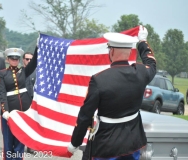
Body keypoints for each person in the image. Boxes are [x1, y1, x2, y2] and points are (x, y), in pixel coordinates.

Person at [67, 25, 156, 160]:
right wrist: (142, 41)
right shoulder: (141, 73)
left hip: (106, 146)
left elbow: (85, 115)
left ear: (112, 51)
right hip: (133, 144)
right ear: (128, 52)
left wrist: (75, 143)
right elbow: (151, 63)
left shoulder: (99, 80)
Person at [0, 47, 37, 160]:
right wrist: (5, 110)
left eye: (16, 59)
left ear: (19, 60)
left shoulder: (24, 71)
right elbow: (2, 93)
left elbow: (34, 63)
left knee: (20, 139)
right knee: (8, 140)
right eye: (12, 59)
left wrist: (37, 48)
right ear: (8, 59)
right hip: (9, 112)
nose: (14, 61)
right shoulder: (2, 73)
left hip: (23, 111)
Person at [22, 52, 37, 154]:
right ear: (23, 60)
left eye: (31, 59)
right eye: (27, 59)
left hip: (32, 101)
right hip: (20, 101)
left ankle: (30, 146)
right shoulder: (18, 71)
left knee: (31, 124)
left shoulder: (37, 72)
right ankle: (18, 144)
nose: (29, 61)